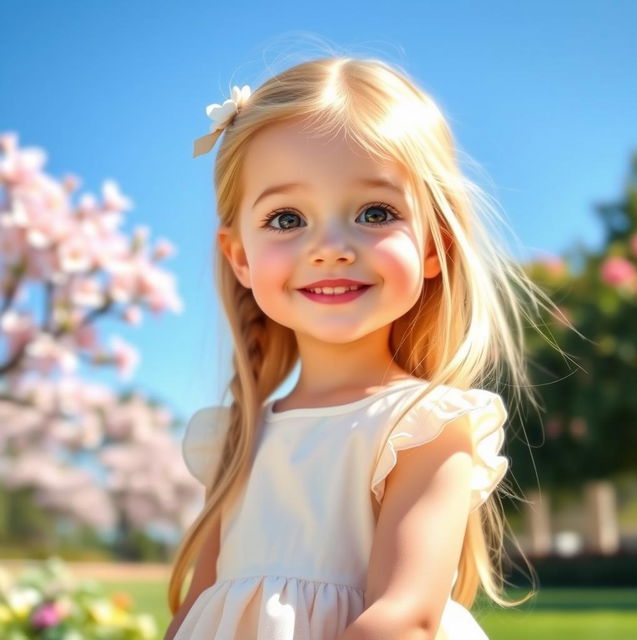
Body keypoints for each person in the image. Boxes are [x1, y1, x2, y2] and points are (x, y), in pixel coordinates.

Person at [164, 55, 569, 640]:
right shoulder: (233, 437)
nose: (330, 246)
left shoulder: (427, 426)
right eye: (286, 218)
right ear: (241, 257)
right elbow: (197, 611)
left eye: (374, 213)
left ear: (435, 247)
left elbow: (403, 617)